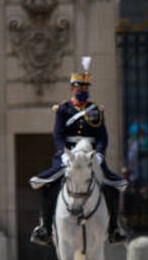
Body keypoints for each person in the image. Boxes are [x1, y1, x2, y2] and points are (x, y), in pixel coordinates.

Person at [29, 57, 128, 246]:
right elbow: (57, 135)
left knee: (113, 187)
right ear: (71, 88)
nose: (82, 90)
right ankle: (45, 228)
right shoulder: (63, 110)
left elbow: (102, 136)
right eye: (78, 87)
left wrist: (99, 153)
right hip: (68, 154)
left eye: (85, 87)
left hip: (90, 153)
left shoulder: (96, 110)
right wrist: (63, 153)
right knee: (49, 186)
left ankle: (114, 228)